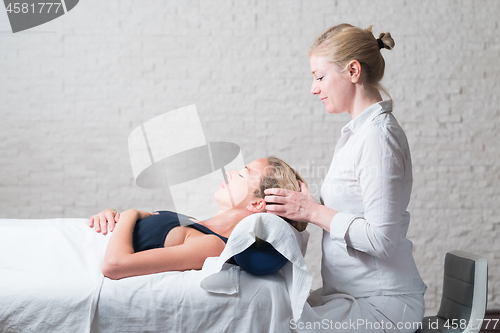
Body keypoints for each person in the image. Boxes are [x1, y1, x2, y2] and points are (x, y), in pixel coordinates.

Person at [264, 24, 427, 332]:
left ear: (353, 70)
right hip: (352, 295)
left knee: (277, 324)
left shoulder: (379, 139)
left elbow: (382, 240)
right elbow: (351, 212)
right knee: (269, 311)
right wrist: (310, 206)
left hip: (382, 306)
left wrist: (311, 211)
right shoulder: (358, 135)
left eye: (320, 76)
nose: (314, 88)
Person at [88, 156, 308, 280]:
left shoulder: (212, 244)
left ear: (256, 204)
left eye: (243, 173)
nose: (229, 172)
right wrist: (111, 216)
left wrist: (129, 214)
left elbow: (114, 266)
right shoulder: (195, 224)